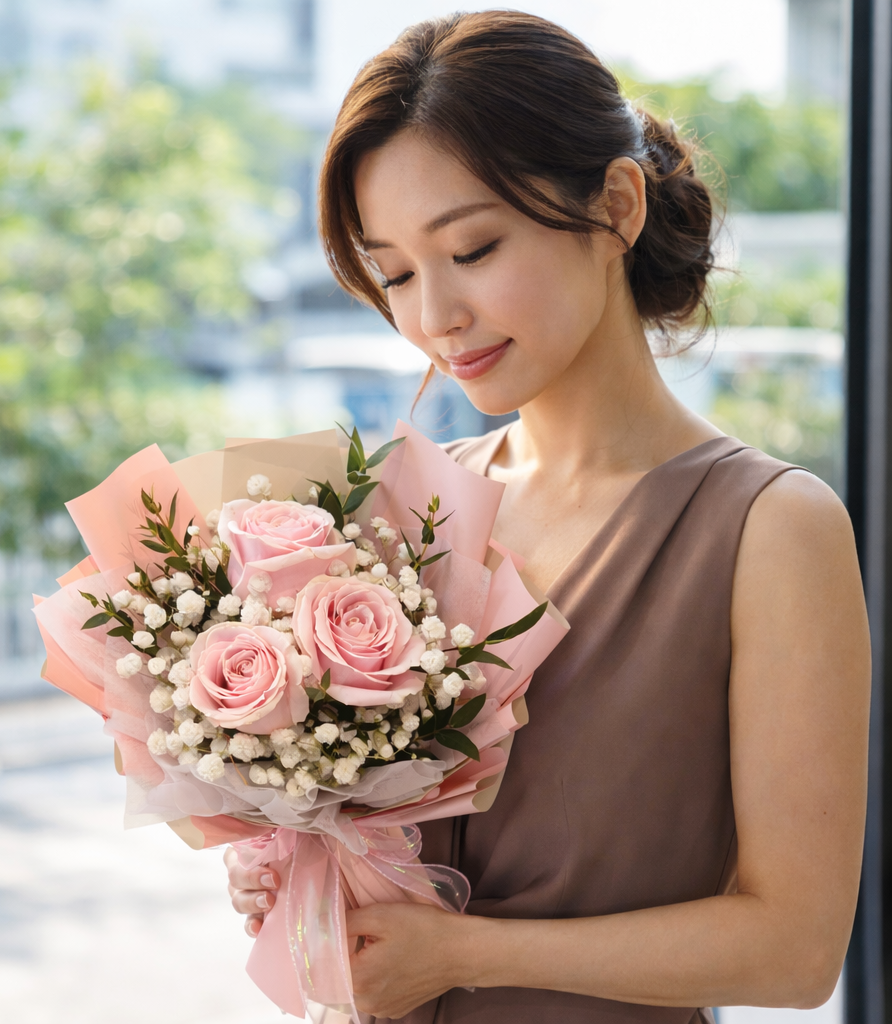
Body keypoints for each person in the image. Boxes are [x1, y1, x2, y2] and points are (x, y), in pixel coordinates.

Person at [224, 11, 870, 1023]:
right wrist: (302, 872)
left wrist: (460, 954)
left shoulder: (768, 528)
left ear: (614, 205)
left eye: (471, 248)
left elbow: (793, 949)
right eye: (393, 272)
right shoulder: (402, 510)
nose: (433, 317)